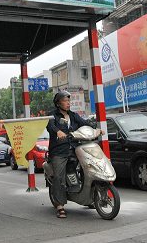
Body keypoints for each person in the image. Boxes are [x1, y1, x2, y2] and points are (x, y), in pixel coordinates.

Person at [46, 90, 101, 218]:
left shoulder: (74, 115)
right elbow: (50, 126)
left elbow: (85, 123)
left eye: (68, 101)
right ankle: (59, 205)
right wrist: (58, 132)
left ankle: (87, 197)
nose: (68, 103)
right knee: (59, 177)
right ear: (58, 103)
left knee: (87, 168)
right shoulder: (53, 116)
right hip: (59, 151)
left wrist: (95, 129)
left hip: (75, 148)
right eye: (65, 101)